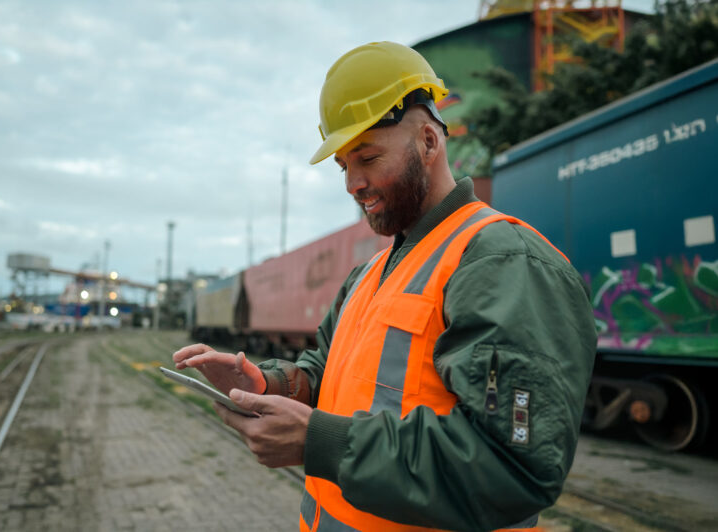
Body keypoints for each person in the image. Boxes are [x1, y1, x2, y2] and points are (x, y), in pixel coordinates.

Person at [173, 41, 596, 532]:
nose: (353, 183)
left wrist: (318, 443)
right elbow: (328, 369)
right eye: (343, 167)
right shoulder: (370, 274)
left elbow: (513, 466)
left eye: (368, 157)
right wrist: (268, 384)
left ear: (429, 143)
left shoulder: (501, 262)